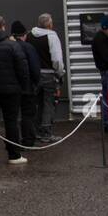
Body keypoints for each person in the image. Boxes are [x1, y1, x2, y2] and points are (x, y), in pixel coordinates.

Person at [0, 15, 30, 165]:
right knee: (11, 122)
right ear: (3, 26)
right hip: (11, 90)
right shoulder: (12, 45)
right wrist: (23, 86)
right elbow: (22, 68)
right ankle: (14, 155)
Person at [29, 13, 65, 141]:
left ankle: (34, 131)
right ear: (49, 24)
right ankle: (46, 133)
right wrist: (60, 73)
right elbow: (57, 60)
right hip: (49, 75)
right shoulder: (52, 37)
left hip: (33, 75)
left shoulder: (30, 35)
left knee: (35, 103)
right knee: (48, 103)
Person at [13, 21, 42, 149]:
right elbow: (35, 68)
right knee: (28, 115)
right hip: (27, 87)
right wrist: (36, 83)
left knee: (12, 116)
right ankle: (28, 140)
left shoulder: (9, 46)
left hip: (12, 87)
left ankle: (13, 142)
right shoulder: (28, 47)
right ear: (24, 35)